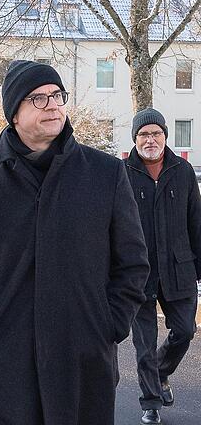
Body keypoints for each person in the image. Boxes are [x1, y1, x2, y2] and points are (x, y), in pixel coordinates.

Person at [0, 60, 150, 425]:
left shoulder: (105, 173)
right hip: (8, 359)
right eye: (38, 99)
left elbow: (132, 263)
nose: (53, 105)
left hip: (83, 355)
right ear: (14, 113)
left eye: (57, 95)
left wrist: (109, 325)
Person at [123, 108, 200, 424]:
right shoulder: (123, 173)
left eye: (155, 133)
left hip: (179, 268)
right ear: (135, 139)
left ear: (165, 136)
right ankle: (151, 401)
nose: (150, 139)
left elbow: (196, 221)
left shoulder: (182, 171)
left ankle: (161, 372)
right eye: (143, 134)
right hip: (137, 273)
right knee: (143, 344)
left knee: (184, 330)